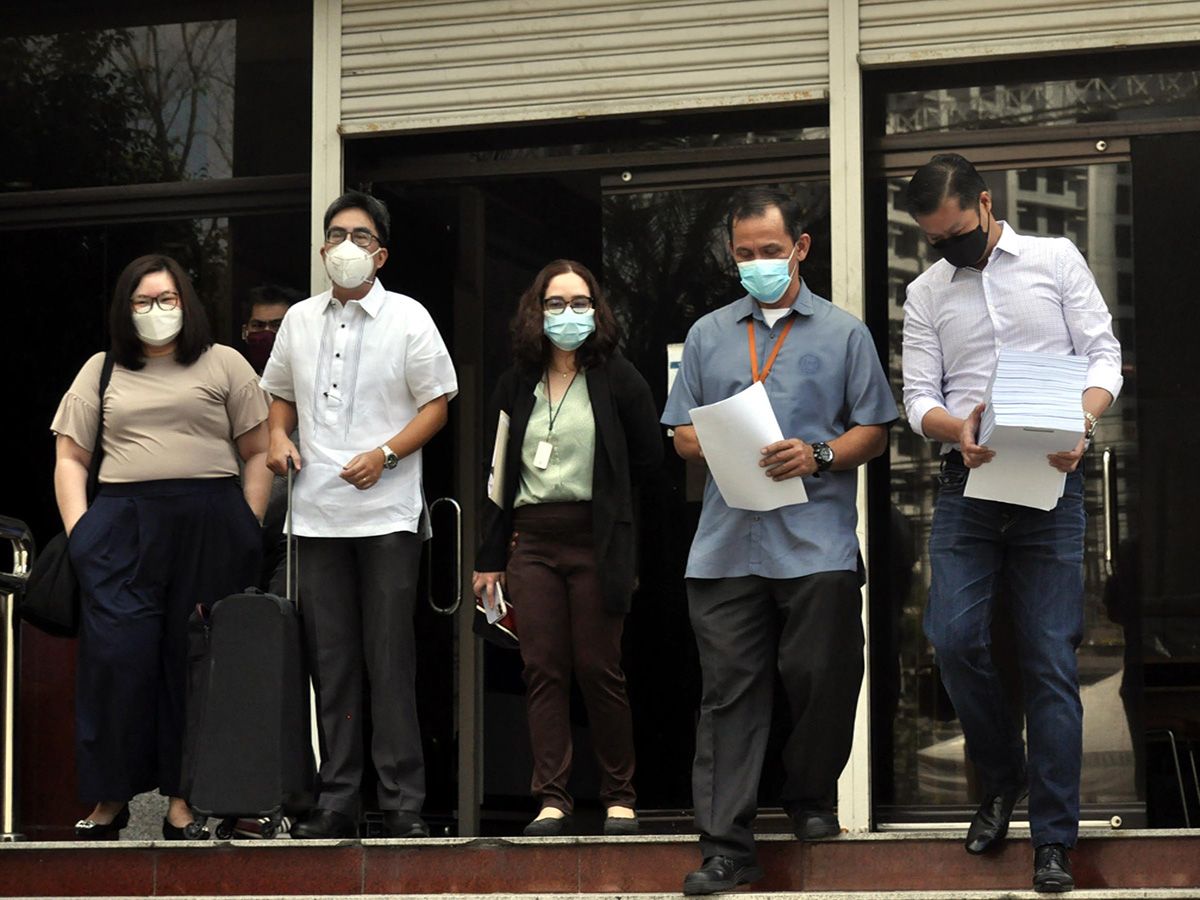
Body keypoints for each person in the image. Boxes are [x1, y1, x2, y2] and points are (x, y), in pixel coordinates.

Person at [661, 187, 897, 895]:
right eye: (744, 254)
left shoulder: (844, 332)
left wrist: (819, 454)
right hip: (727, 544)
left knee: (824, 675)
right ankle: (726, 849)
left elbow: (876, 430)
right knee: (728, 696)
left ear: (801, 246)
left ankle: (808, 794)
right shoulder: (706, 334)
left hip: (815, 541)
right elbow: (679, 431)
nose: (757, 263)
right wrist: (702, 443)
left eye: (770, 251)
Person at [900, 153, 1123, 894]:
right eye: (936, 240)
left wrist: (1082, 424)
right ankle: (1002, 778)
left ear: (987, 205)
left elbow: (1102, 353)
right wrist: (949, 427)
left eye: (958, 233)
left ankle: (1054, 840)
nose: (948, 249)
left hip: (1053, 484)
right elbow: (917, 396)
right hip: (969, 481)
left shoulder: (1055, 260)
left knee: (1051, 662)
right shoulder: (926, 292)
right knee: (954, 640)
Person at [52, 254, 272, 840]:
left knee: (195, 665)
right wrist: (82, 536)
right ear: (125, 309)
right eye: (143, 301)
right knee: (115, 660)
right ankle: (110, 798)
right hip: (121, 525)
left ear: (188, 303)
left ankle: (184, 801)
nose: (156, 311)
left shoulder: (224, 363)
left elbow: (257, 450)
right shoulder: (100, 370)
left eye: (167, 299)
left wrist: (247, 525)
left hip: (211, 524)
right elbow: (70, 459)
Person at [261, 190, 458, 839]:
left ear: (382, 252)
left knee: (389, 659)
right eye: (337, 234)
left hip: (387, 518)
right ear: (322, 248)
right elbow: (280, 399)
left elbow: (436, 407)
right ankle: (337, 801)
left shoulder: (409, 318)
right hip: (315, 518)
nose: (348, 246)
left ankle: (403, 802)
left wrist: (385, 455)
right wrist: (278, 438)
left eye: (361, 236)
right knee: (332, 663)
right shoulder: (298, 321)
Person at [472, 260, 662, 837]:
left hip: (596, 540)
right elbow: (498, 474)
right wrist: (488, 557)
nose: (568, 315)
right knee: (543, 670)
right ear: (537, 311)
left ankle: (619, 796)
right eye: (556, 304)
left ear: (597, 310)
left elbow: (649, 462)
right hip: (532, 540)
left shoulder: (619, 377)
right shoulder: (515, 381)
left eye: (580, 303)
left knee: (600, 669)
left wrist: (624, 543)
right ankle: (552, 798)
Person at [239, 283, 303, 594]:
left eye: (278, 325)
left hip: (292, 537)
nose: (267, 333)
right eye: (258, 326)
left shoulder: (311, 383)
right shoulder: (234, 384)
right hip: (237, 529)